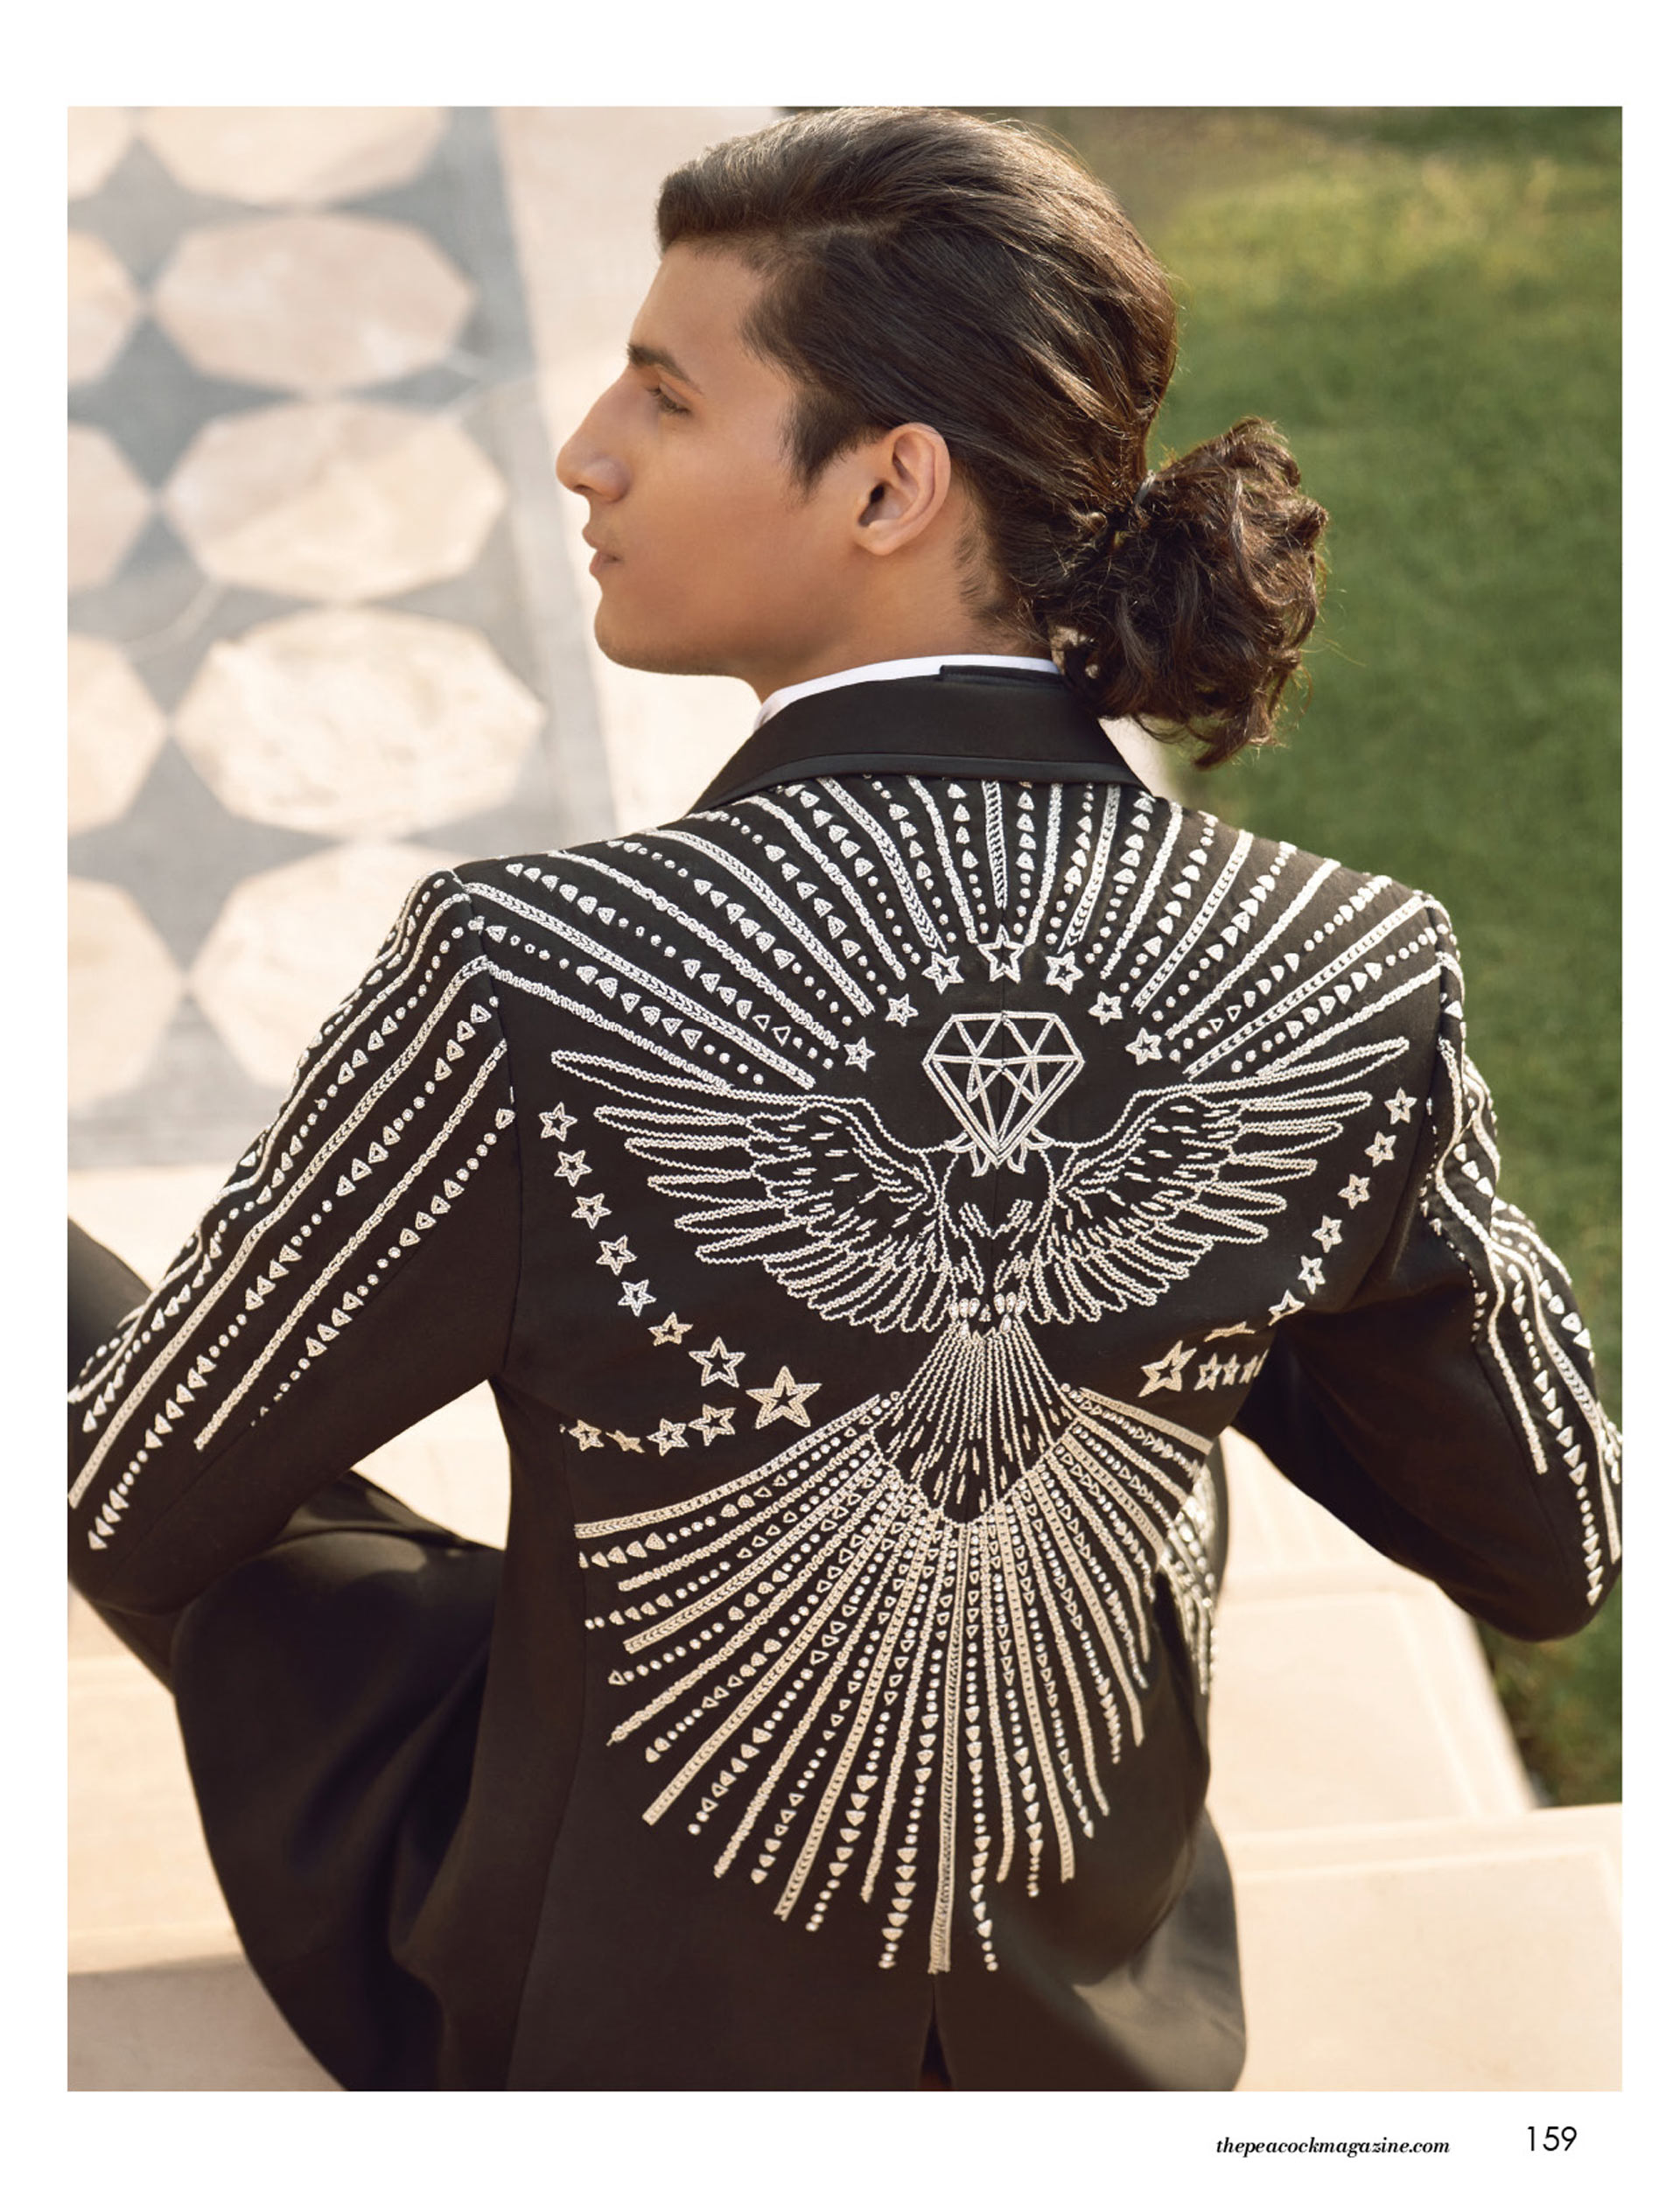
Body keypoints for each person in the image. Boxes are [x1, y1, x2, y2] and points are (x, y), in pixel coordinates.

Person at [67, 106, 1620, 2092]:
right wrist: (1241, 1236)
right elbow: (1555, 1538)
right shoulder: (1351, 967)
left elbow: (136, 1493)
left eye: (664, 396)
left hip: (585, 2040)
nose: (585, 452)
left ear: (891, 484)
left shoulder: (533, 968)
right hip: (1104, 2056)